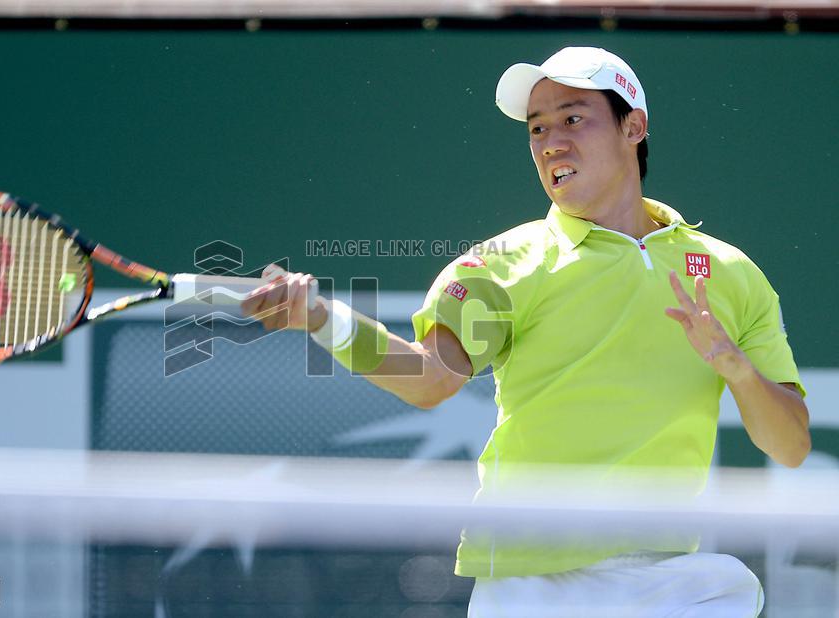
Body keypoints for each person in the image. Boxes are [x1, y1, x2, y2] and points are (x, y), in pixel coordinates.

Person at [240, 46, 809, 617]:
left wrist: (737, 369)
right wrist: (321, 319)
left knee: (730, 588)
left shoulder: (731, 274)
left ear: (633, 127)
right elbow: (428, 378)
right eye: (537, 129)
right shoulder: (502, 265)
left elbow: (790, 446)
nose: (550, 143)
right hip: (533, 583)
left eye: (573, 118)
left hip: (669, 577)